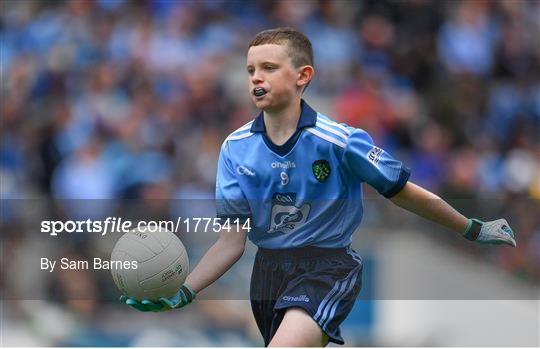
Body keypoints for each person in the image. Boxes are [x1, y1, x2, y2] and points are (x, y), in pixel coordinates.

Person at [121, 27, 516, 347]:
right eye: (250, 70)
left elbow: (406, 192)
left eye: (269, 67)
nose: (256, 77)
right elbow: (231, 242)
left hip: (328, 267)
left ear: (302, 76)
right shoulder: (234, 148)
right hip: (268, 273)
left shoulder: (341, 141)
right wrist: (185, 292)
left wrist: (471, 227)